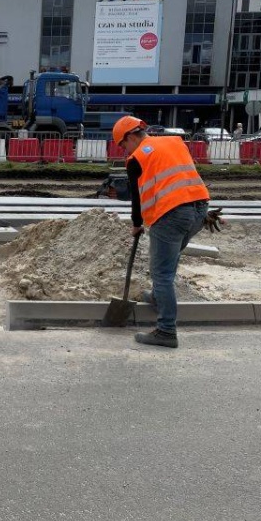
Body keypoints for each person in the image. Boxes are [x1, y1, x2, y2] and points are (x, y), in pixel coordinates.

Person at [112, 115, 224, 348]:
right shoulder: (174, 142)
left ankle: (166, 331)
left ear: (131, 137)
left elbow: (138, 199)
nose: (124, 151)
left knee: (161, 273)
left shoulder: (136, 159)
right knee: (168, 262)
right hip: (200, 209)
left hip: (171, 214)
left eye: (123, 145)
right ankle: (156, 297)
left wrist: (136, 224)